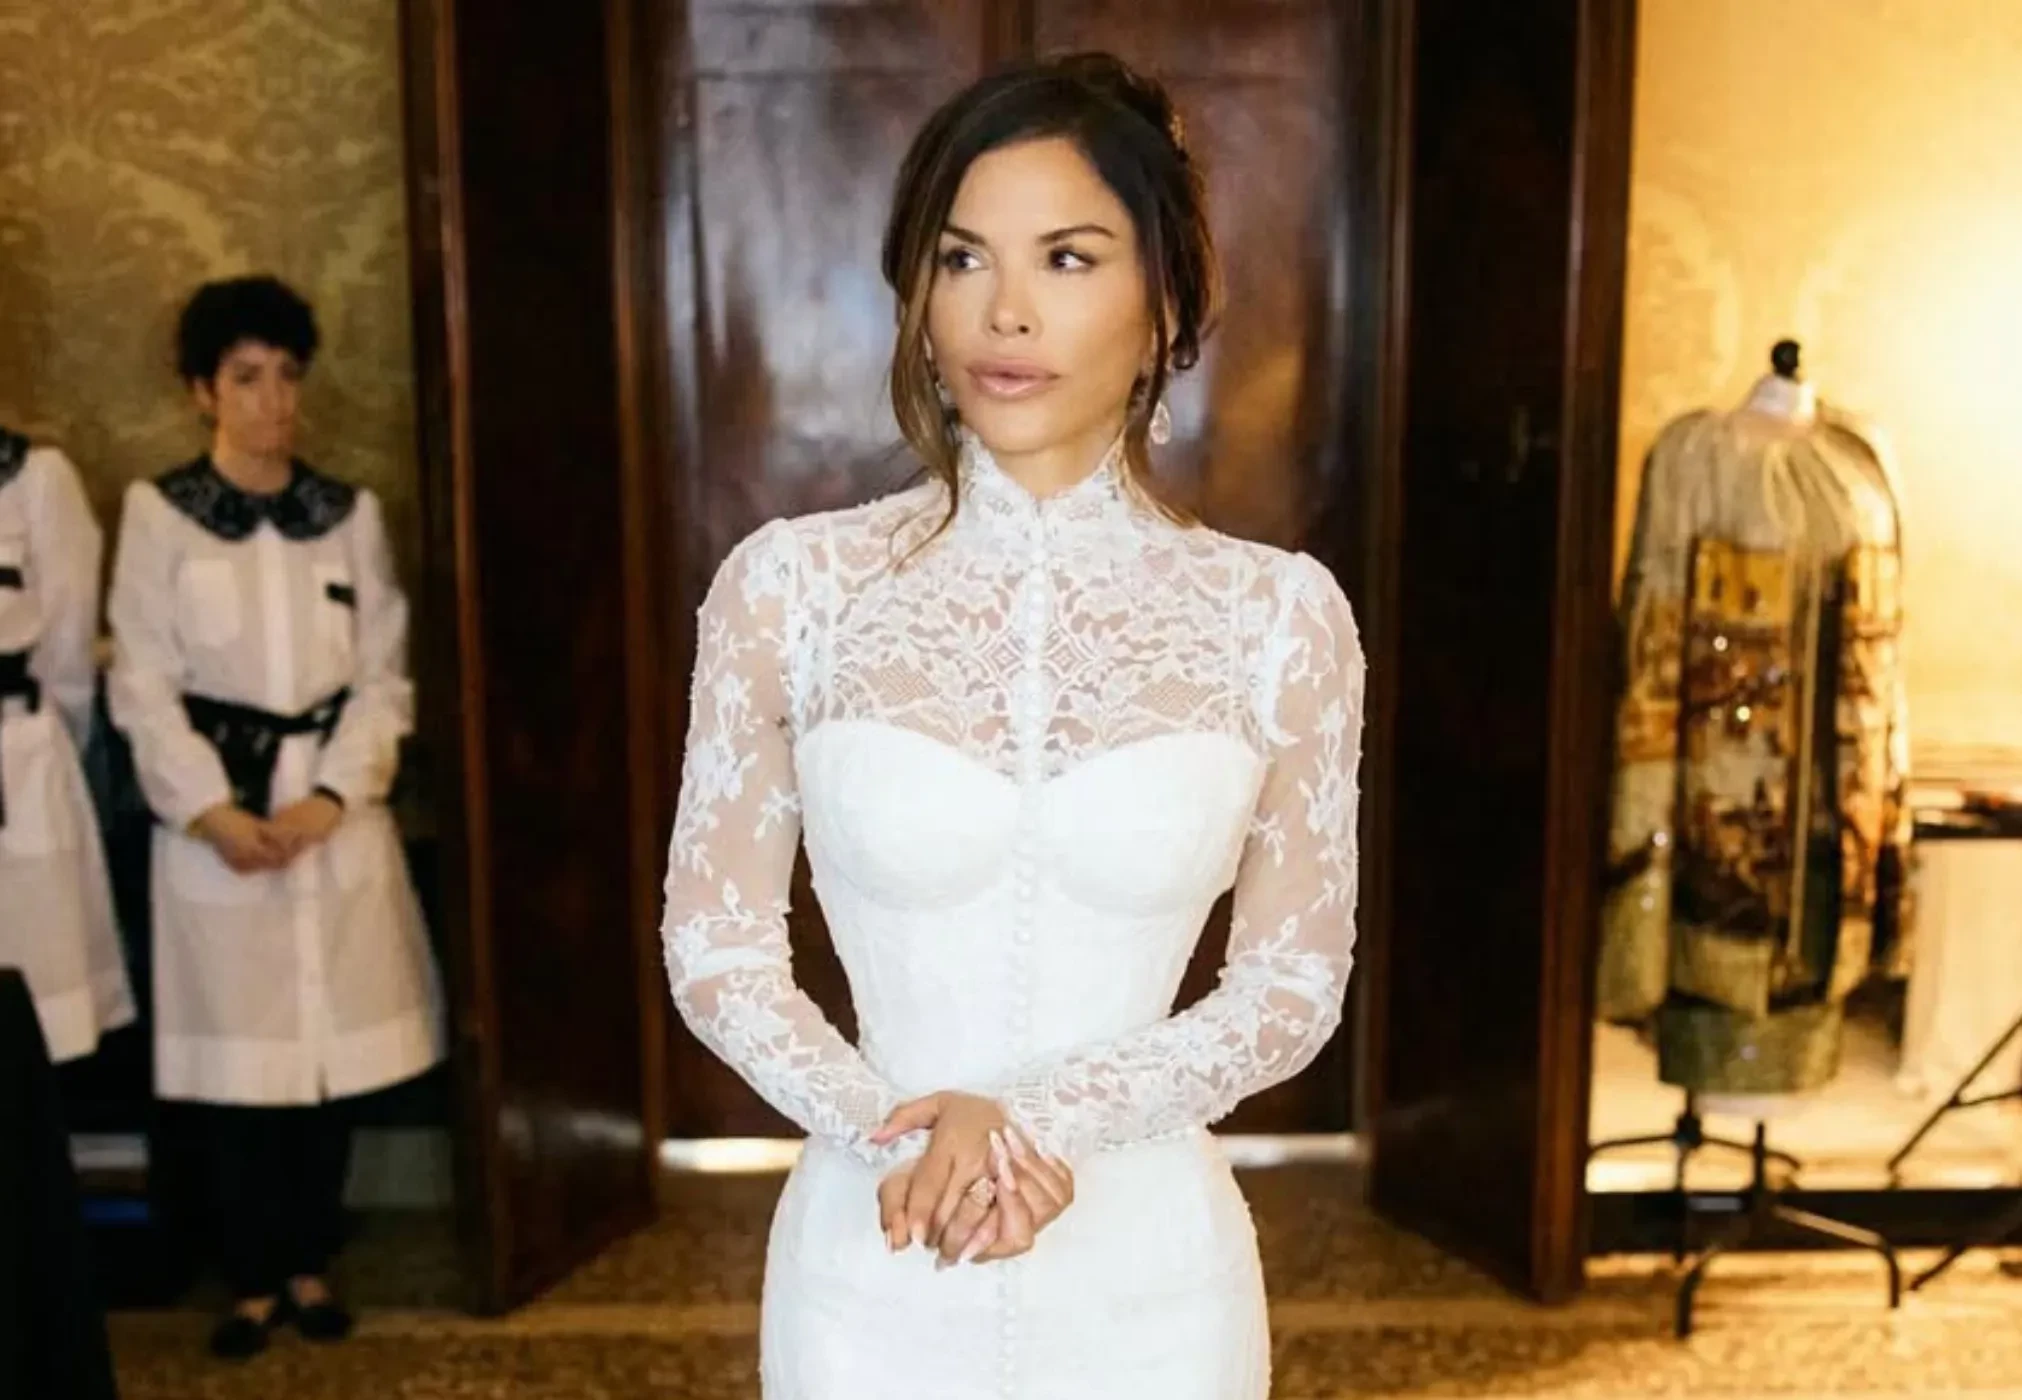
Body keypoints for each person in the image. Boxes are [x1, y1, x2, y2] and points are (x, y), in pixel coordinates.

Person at [661, 53, 1364, 1398]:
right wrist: (893, 1129)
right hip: (876, 1248)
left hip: (1150, 1284)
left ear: (1166, 304)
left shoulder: (1279, 616)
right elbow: (718, 946)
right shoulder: (791, 589)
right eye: (962, 257)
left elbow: (1288, 985)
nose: (1006, 309)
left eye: (1068, 257)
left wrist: (1035, 1121)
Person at [107, 275, 445, 1360]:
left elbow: (384, 677)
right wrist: (209, 808)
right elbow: (140, 680)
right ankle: (250, 1276)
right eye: (247, 378)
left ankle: (310, 1262)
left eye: (288, 377)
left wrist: (333, 796)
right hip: (215, 822)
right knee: (239, 1062)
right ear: (203, 391)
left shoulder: (347, 516)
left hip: (329, 815)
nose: (273, 401)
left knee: (325, 1054)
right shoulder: (161, 515)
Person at [0, 428, 134, 1063]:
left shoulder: (35, 478)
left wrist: (50, 747)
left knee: (27, 1023)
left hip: (17, 760)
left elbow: (68, 652)